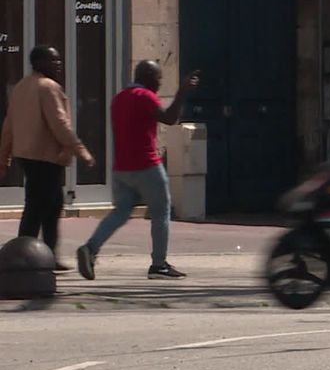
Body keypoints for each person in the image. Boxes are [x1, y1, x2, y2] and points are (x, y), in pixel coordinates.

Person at [76, 61, 200, 280]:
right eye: (159, 79)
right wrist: (181, 91)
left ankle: (91, 247)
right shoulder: (145, 96)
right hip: (146, 165)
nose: (160, 84)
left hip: (121, 168)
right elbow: (170, 119)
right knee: (161, 212)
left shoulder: (119, 98)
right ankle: (159, 264)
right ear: (149, 77)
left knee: (120, 212)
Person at [0, 45, 95, 270]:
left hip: (27, 155)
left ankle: (45, 255)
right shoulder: (48, 87)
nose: (58, 65)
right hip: (44, 157)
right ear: (39, 63)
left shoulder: (21, 87)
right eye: (53, 60)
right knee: (38, 207)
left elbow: (8, 126)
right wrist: (81, 151)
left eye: (59, 60)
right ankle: (23, 257)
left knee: (50, 205)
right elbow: (60, 124)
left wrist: (4, 157)